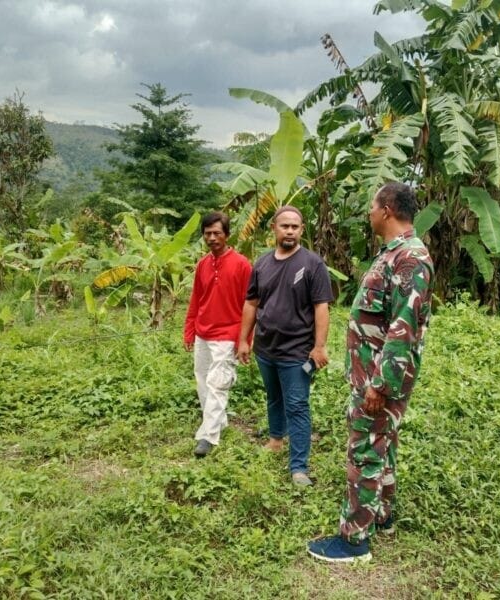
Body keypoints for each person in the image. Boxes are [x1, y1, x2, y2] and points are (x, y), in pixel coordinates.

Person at [308, 182, 434, 562]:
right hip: (372, 374)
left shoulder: (409, 257)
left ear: (388, 209)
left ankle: (354, 538)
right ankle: (382, 515)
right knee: (383, 444)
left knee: (364, 450)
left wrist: (380, 384)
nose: (369, 212)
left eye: (372, 205)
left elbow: (403, 325)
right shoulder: (394, 254)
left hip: (379, 378)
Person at [237, 206, 333, 486]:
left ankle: (299, 467)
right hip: (266, 348)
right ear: (274, 229)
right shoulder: (262, 264)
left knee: (297, 405)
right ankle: (276, 440)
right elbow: (252, 303)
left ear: (302, 230)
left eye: (295, 226)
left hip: (297, 351)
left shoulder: (312, 264)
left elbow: (321, 307)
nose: (289, 231)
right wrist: (244, 339)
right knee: (274, 397)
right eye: (284, 226)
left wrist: (319, 346)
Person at [184, 211, 252, 458]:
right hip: (203, 332)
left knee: (218, 383)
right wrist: (189, 329)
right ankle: (217, 422)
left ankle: (208, 436)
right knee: (203, 381)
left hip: (228, 333)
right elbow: (196, 299)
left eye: (217, 233)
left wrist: (245, 338)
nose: (212, 238)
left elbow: (250, 304)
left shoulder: (242, 264)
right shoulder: (202, 264)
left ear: (227, 234)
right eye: (207, 233)